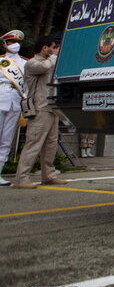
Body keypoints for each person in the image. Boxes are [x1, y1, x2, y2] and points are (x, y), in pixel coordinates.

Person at [12, 35, 67, 188]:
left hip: (52, 107)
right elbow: (44, 67)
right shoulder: (32, 63)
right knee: (34, 143)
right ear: (45, 48)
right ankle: (22, 178)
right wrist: (55, 57)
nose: (55, 50)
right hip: (39, 108)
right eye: (53, 47)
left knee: (51, 144)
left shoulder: (51, 62)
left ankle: (48, 175)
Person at [0, 29, 28, 186]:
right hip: (0, 98)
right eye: (11, 42)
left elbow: (27, 85)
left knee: (6, 140)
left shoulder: (25, 63)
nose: (15, 45)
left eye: (17, 42)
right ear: (5, 44)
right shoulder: (1, 61)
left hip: (15, 102)